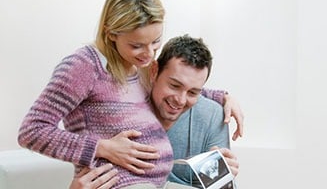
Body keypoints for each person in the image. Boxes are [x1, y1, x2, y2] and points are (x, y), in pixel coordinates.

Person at [17, 0, 242, 189]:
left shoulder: (138, 68)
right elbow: (31, 131)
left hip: (157, 183)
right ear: (111, 33)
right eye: (137, 45)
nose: (149, 53)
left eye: (155, 42)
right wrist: (102, 148)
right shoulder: (84, 66)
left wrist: (223, 97)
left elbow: (176, 86)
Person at [70, 35, 240, 189]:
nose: (180, 100)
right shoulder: (120, 109)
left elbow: (220, 185)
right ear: (154, 71)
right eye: (174, 86)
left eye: (193, 92)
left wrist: (223, 176)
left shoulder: (213, 116)